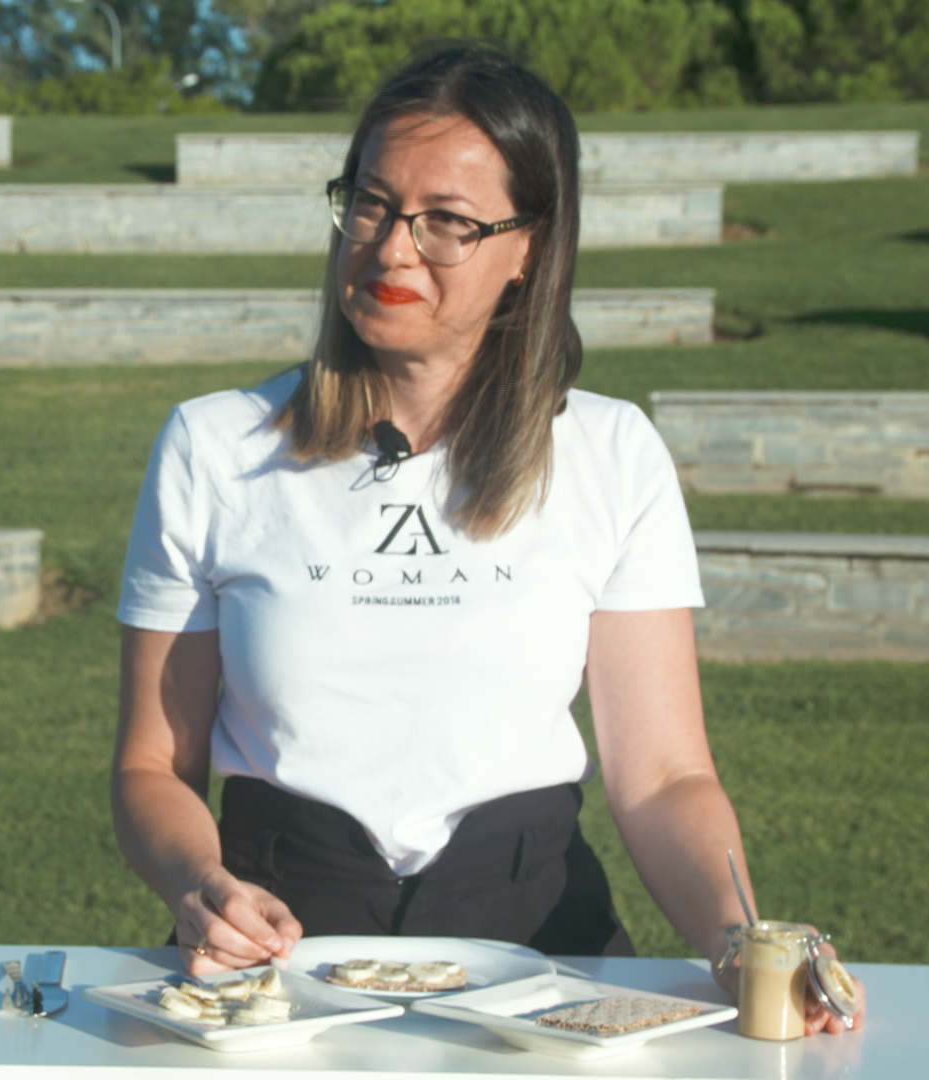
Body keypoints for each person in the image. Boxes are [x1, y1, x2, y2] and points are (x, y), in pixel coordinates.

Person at [110, 44, 862, 1035]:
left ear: (530, 251)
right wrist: (200, 881)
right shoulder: (213, 446)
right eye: (370, 204)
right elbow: (150, 768)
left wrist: (740, 942)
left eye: (448, 223)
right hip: (278, 975)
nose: (389, 251)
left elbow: (666, 776)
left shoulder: (611, 451)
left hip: (547, 966)